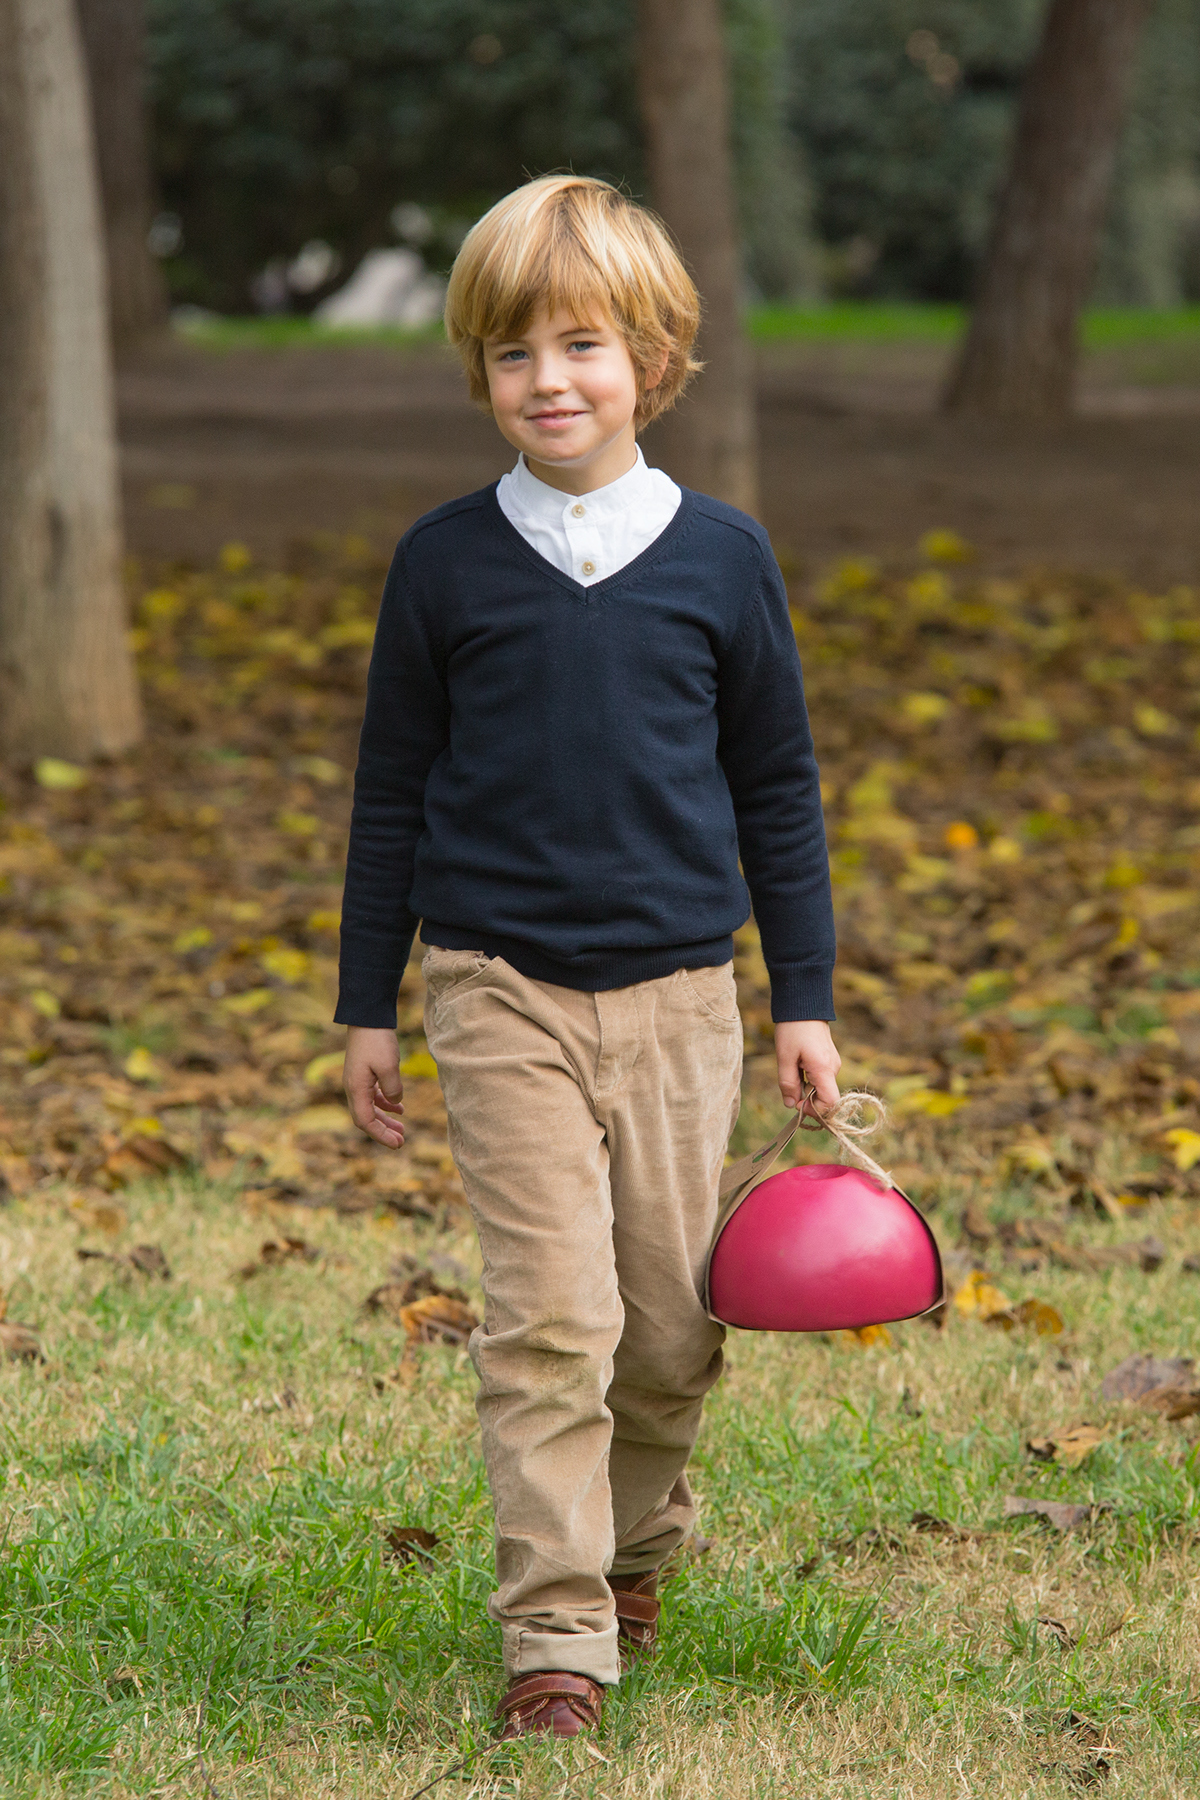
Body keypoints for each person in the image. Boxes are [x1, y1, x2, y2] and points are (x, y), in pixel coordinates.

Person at [336, 174, 840, 1738]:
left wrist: (803, 1000)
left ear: (657, 360)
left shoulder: (722, 559)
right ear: (478, 373)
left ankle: (636, 1544)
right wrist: (369, 1005)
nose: (548, 380)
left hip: (686, 994)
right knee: (551, 1320)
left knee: (670, 1330)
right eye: (511, 354)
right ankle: (556, 1636)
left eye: (583, 345)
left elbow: (778, 786)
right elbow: (389, 791)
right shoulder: (443, 564)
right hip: (496, 988)